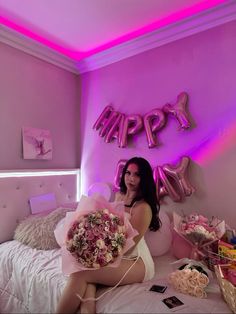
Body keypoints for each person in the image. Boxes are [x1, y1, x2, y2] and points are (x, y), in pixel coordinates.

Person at [56, 157, 161, 314]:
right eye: (128, 173)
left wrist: (99, 257)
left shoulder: (143, 208)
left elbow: (129, 245)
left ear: (144, 178)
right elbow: (108, 226)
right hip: (113, 252)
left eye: (137, 175)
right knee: (89, 281)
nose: (131, 179)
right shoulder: (119, 196)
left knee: (81, 273)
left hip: (135, 260)